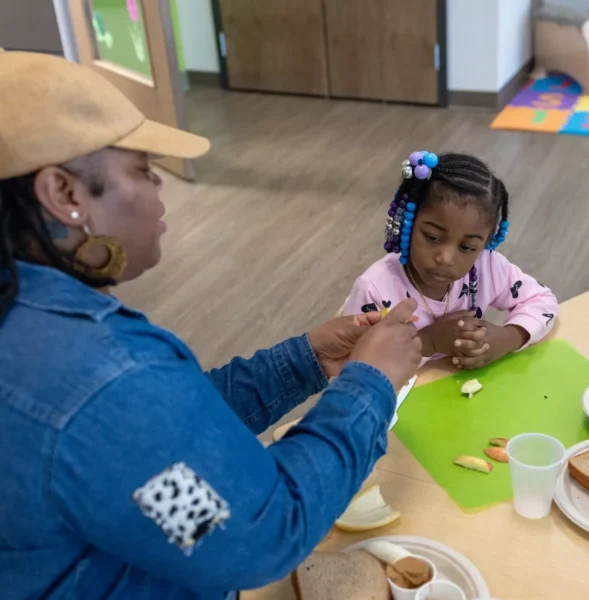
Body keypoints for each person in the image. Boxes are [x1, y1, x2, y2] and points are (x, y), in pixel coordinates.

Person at [0, 52, 422, 599]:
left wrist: (305, 361)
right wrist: (370, 386)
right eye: (141, 170)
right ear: (65, 195)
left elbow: (164, 451)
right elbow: (258, 534)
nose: (158, 190)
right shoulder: (99, 376)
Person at [344, 151, 558, 369]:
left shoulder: (487, 267)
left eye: (467, 247)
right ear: (408, 221)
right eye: (432, 237)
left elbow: (542, 300)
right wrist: (428, 342)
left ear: (484, 244)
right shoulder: (374, 289)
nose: (445, 258)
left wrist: (507, 338)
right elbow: (351, 365)